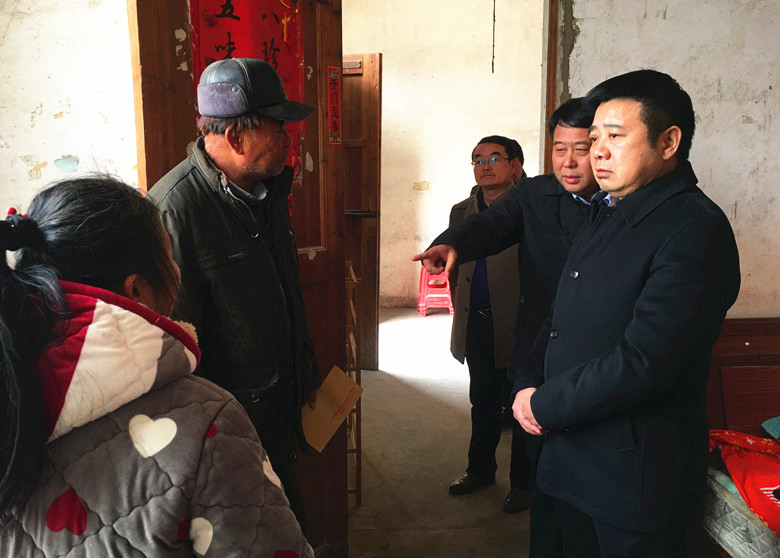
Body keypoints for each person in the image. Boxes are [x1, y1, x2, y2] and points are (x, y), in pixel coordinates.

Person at [0, 176, 313, 557]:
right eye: (169, 257)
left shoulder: (13, 384)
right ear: (136, 290)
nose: (178, 272)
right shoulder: (210, 423)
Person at [512, 69, 741, 557]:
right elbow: (559, 317)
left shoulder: (694, 229)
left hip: (630, 480)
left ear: (668, 141)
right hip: (566, 459)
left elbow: (647, 360)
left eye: (615, 136)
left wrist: (544, 405)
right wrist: (525, 382)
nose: (597, 151)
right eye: (594, 137)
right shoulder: (607, 211)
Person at [413, 98, 601, 554]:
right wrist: (451, 243)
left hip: (594, 354)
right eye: (559, 149)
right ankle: (522, 493)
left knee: (583, 470)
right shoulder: (534, 195)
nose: (569, 162)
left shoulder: (620, 202)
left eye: (582, 149)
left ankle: (534, 493)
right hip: (536, 344)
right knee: (527, 430)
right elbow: (490, 225)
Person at [147, 58, 322, 532]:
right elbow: (176, 348)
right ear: (236, 138)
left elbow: (285, 290)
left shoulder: (264, 191)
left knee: (287, 521)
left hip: (278, 404)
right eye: (278, 128)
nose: (289, 139)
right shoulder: (173, 211)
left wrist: (304, 365)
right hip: (228, 423)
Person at [445, 135, 531, 514]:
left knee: (521, 405)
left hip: (518, 323)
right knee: (482, 401)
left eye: (494, 157)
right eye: (477, 159)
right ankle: (479, 470)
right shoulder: (461, 211)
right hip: (477, 321)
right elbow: (454, 269)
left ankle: (524, 484)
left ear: (515, 166)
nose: (485, 165)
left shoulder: (530, 209)